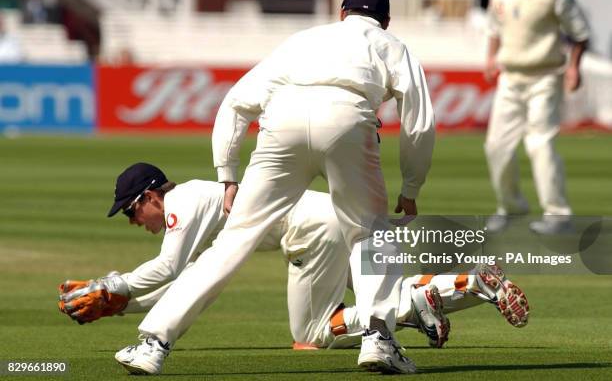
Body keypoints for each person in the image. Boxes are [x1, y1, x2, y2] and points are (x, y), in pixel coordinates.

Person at [116, 0, 436, 375]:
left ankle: (153, 344)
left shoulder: (303, 39)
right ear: (386, 21)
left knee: (231, 243)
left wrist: (227, 174)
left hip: (281, 121)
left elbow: (236, 101)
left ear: (341, 14)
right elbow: (418, 123)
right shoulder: (392, 45)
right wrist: (411, 187)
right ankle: (378, 340)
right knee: (371, 237)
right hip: (348, 119)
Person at [58, 163, 527, 362]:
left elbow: (165, 270)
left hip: (313, 231)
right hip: (334, 216)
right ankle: (467, 285)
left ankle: (419, 302)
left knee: (314, 333)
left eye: (131, 210)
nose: (132, 221)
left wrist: (111, 284)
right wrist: (120, 305)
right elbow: (181, 284)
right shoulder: (197, 204)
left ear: (150, 196)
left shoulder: (181, 203)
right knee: (380, 294)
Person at [484, 0, 590, 234]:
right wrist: (490, 57)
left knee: (540, 144)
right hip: (510, 78)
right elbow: (495, 26)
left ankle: (558, 215)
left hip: (545, 77)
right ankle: (511, 207)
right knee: (496, 146)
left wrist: (574, 67)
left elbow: (580, 33)